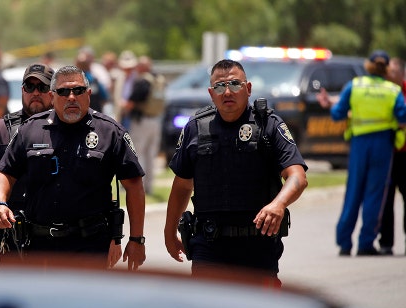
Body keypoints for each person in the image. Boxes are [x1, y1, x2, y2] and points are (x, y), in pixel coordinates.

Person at [164, 59, 308, 286]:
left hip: (257, 245)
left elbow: (297, 176)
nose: (227, 92)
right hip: (208, 245)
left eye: (235, 84)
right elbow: (182, 185)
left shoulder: (269, 124)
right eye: (220, 87)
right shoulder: (196, 128)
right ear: (211, 94)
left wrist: (278, 204)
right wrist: (169, 231)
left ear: (248, 89)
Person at [0, 65, 146, 270]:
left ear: (88, 94)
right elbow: (4, 172)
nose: (71, 97)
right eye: (63, 91)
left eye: (78, 90)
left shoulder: (110, 132)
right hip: (39, 246)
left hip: (90, 245)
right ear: (53, 96)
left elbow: (134, 185)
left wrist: (136, 240)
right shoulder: (30, 130)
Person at [0, 63, 55, 258]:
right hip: (15, 234)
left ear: (53, 92)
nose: (35, 92)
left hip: (58, 237)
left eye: (43, 87)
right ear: (22, 90)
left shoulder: (66, 128)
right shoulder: (2, 130)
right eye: (30, 87)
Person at [321, 50, 406, 256]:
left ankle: (344, 243)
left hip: (359, 145)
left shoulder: (355, 85)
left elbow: (337, 114)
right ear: (386, 69)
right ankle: (366, 243)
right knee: (374, 195)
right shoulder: (392, 91)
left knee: (353, 193)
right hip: (383, 145)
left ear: (368, 65)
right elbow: (403, 117)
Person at [123, 55, 165, 195]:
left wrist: (122, 110)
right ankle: (149, 188)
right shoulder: (158, 79)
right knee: (150, 155)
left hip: (142, 121)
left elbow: (131, 101)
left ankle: (139, 186)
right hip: (155, 120)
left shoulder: (143, 81)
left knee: (138, 153)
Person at [379, 57, 406, 255]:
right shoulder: (385, 91)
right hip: (388, 154)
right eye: (387, 73)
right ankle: (386, 243)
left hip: (405, 154)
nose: (389, 76)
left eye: (393, 73)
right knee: (386, 200)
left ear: (402, 74)